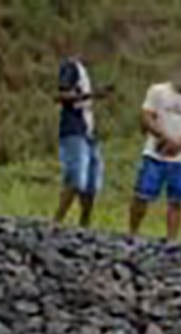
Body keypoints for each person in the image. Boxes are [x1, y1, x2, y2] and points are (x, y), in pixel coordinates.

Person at [128, 61, 181, 242]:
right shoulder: (158, 91)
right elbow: (146, 116)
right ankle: (132, 232)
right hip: (154, 152)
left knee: (176, 200)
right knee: (142, 194)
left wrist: (179, 143)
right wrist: (162, 136)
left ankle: (171, 239)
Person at [54, 53, 109, 227]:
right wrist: (90, 95)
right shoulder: (72, 67)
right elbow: (62, 95)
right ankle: (57, 221)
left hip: (88, 129)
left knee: (92, 181)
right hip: (74, 128)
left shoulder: (85, 72)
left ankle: (85, 223)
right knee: (76, 178)